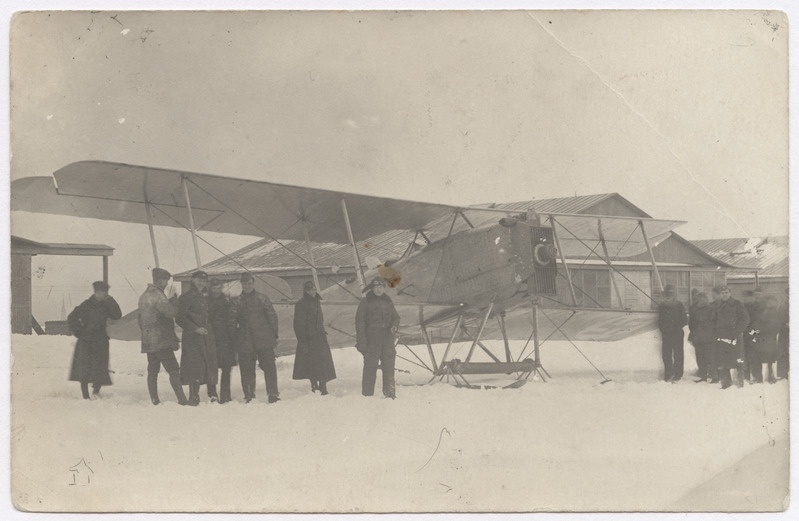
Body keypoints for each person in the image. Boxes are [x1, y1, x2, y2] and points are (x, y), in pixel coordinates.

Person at [138, 268, 188, 405]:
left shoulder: (144, 296)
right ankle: (182, 399)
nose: (167, 284)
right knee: (173, 369)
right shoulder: (158, 295)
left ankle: (155, 400)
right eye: (166, 280)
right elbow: (170, 312)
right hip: (161, 340)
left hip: (149, 341)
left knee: (152, 371)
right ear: (161, 280)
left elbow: (139, 319)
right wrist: (174, 300)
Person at [67, 281, 122, 399]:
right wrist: (79, 332)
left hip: (101, 340)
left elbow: (117, 315)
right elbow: (72, 317)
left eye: (106, 292)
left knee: (101, 367)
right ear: (96, 292)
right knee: (85, 368)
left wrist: (111, 300)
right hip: (86, 341)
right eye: (103, 292)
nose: (105, 295)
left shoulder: (106, 305)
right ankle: (85, 395)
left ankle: (96, 392)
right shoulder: (86, 305)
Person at [234, 273, 280, 403]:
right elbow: (231, 322)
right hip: (245, 342)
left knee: (269, 367)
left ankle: (273, 394)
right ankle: (249, 395)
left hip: (264, 340)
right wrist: (237, 339)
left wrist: (274, 336)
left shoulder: (262, 298)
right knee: (247, 369)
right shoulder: (236, 302)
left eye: (249, 283)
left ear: (253, 283)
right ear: (241, 284)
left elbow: (272, 317)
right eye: (244, 284)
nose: (247, 286)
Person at [176, 271, 218, 406]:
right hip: (193, 337)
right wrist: (195, 328)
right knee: (195, 365)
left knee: (210, 363)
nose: (201, 283)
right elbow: (180, 318)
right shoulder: (186, 297)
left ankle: (213, 394)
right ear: (192, 280)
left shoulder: (209, 297)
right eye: (199, 280)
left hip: (208, 336)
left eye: (204, 281)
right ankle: (194, 396)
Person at [356, 277, 400, 398]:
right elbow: (360, 323)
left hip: (387, 338)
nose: (379, 289)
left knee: (389, 366)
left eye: (381, 287)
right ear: (372, 288)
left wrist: (394, 326)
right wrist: (362, 342)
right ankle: (367, 395)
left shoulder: (387, 301)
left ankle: (390, 393)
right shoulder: (366, 301)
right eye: (376, 287)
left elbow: (396, 317)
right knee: (370, 367)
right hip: (372, 339)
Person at [292, 281, 336, 395]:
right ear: (305, 291)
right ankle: (314, 384)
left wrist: (321, 331)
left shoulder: (317, 301)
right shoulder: (301, 304)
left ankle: (323, 386)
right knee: (311, 364)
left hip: (319, 337)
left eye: (313, 289)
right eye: (309, 290)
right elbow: (298, 323)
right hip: (308, 338)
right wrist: (302, 339)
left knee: (323, 363)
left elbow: (319, 319)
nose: (312, 292)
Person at [711, 285, 750, 389]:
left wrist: (738, 330)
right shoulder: (718, 305)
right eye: (722, 293)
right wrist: (716, 331)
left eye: (726, 292)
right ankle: (725, 383)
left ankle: (739, 384)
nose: (724, 295)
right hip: (722, 337)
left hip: (734, 337)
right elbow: (713, 320)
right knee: (723, 361)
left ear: (730, 293)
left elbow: (745, 319)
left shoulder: (737, 304)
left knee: (737, 360)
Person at [208, 279, 238, 403]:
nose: (216, 290)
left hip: (226, 339)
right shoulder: (205, 301)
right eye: (213, 288)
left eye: (218, 288)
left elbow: (233, 319)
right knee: (211, 367)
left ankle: (226, 395)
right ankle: (212, 394)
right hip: (211, 338)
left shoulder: (228, 302)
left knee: (226, 368)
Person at [749, 295, 782, 383]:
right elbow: (755, 322)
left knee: (770, 360)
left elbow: (775, 326)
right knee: (757, 359)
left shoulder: (775, 313)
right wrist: (757, 329)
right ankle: (758, 378)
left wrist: (760, 329)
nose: (769, 304)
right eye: (767, 302)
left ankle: (770, 378)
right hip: (760, 339)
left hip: (769, 339)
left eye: (770, 302)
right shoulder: (760, 311)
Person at [658, 284, 687, 382]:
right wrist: (664, 329)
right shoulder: (662, 306)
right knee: (666, 355)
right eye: (667, 294)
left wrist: (675, 327)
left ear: (674, 295)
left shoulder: (679, 305)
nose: (668, 296)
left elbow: (684, 320)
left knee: (678, 355)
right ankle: (668, 374)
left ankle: (678, 374)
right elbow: (660, 321)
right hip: (666, 334)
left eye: (670, 294)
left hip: (677, 333)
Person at [688, 292, 714, 382]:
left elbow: (714, 323)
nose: (702, 300)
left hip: (708, 337)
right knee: (700, 357)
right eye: (700, 298)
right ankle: (703, 375)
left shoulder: (711, 309)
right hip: (698, 337)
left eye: (704, 298)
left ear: (706, 299)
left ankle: (712, 375)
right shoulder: (695, 310)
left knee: (709, 357)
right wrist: (693, 335)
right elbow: (691, 324)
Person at [777, 286, 789, 379]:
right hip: (785, 332)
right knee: (783, 352)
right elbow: (779, 318)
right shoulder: (783, 305)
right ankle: (783, 373)